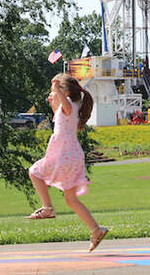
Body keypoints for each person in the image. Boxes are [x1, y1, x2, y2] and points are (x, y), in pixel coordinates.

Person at [27, 73, 109, 252]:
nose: (50, 95)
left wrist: (56, 89)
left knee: (34, 172)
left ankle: (48, 208)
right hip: (72, 157)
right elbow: (61, 111)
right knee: (71, 199)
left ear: (64, 92)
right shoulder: (63, 111)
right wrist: (53, 99)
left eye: (53, 92)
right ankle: (96, 230)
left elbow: (66, 106)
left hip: (64, 155)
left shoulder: (69, 106)